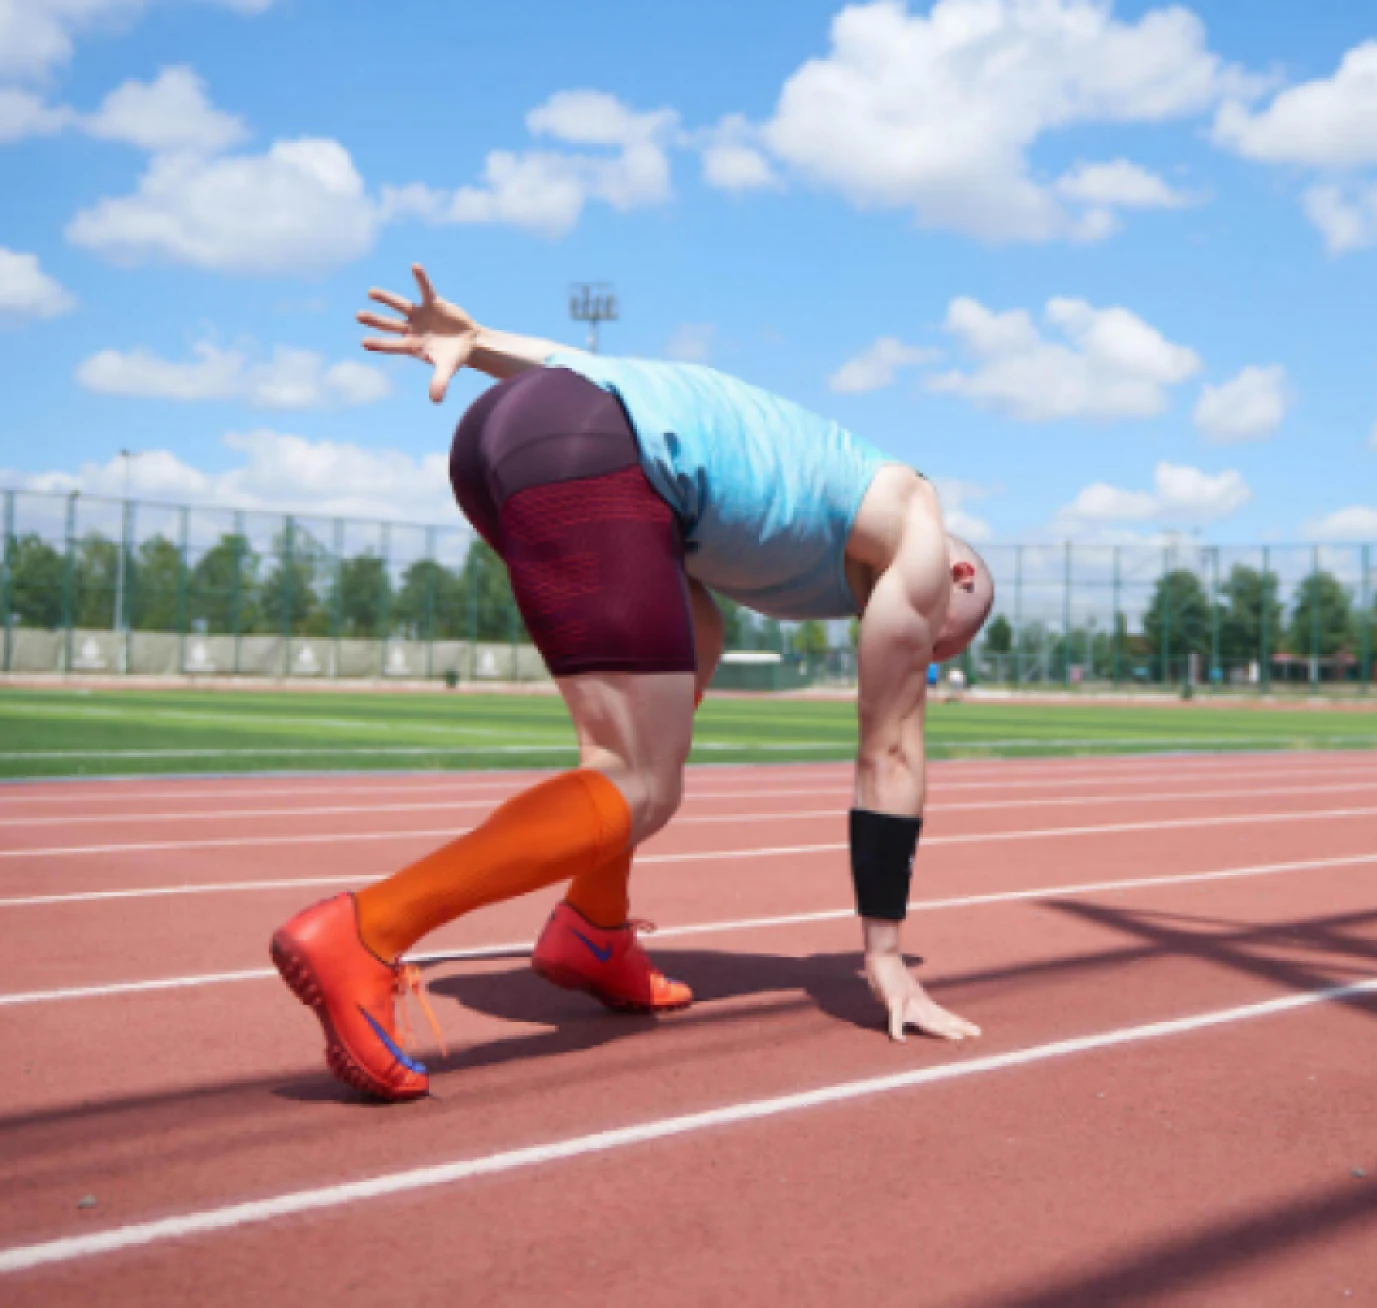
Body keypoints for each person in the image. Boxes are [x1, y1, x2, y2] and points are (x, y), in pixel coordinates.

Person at [269, 265, 995, 1101]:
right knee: (640, 780)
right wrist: (885, 958)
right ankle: (366, 930)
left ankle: (595, 926)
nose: (918, 655)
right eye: (941, 632)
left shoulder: (819, 472)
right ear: (960, 572)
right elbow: (890, 752)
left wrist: (478, 346)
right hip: (592, 443)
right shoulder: (920, 535)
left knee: (702, 634)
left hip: (510, 429)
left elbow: (626, 386)